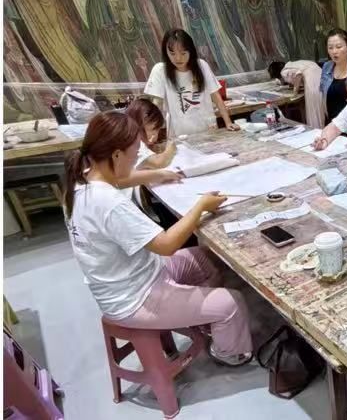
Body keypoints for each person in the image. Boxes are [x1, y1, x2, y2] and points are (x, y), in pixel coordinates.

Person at [64, 111, 252, 366]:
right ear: (116, 155)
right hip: (136, 298)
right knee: (232, 303)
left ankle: (204, 317)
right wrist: (200, 207)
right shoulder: (108, 203)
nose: (136, 161)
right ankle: (228, 353)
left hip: (141, 276)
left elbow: (123, 179)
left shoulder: (83, 178)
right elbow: (165, 245)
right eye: (134, 154)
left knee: (208, 258)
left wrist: (161, 174)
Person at [144, 28, 239, 137]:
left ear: (191, 51)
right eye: (172, 53)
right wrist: (152, 132)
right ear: (166, 52)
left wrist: (228, 122)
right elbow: (157, 105)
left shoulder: (201, 66)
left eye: (183, 53)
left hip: (207, 130)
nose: (178, 58)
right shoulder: (160, 70)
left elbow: (216, 96)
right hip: (179, 134)